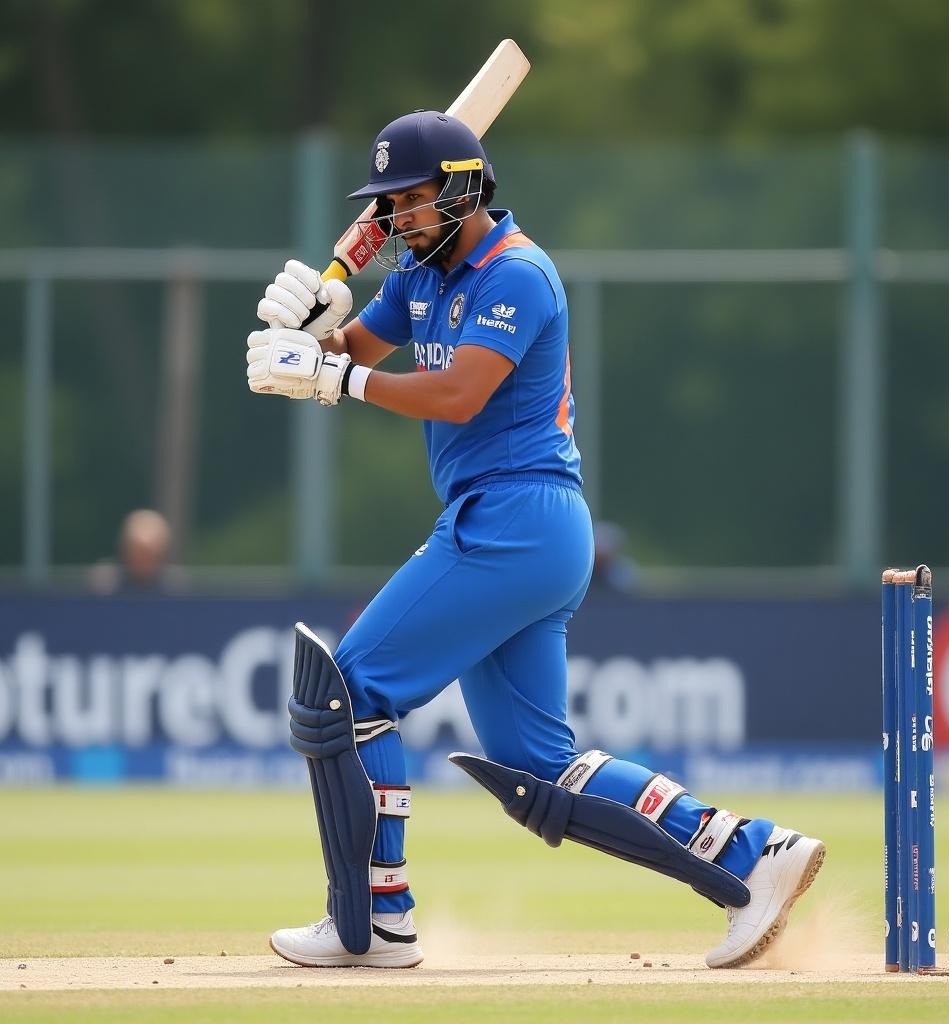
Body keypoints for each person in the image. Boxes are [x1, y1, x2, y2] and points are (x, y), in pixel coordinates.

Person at [245, 110, 824, 970]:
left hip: (518, 518)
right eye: (388, 206)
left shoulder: (520, 272)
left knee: (351, 691)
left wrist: (333, 376)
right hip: (515, 529)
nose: (397, 219)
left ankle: (375, 919)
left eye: (411, 200)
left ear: (464, 189)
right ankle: (753, 856)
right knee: (540, 769)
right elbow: (353, 344)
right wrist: (316, 322)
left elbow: (457, 395)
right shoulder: (418, 274)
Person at [88, 508, 177, 594]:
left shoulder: (175, 590)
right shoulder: (105, 586)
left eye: (148, 554)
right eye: (138, 552)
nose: (142, 560)